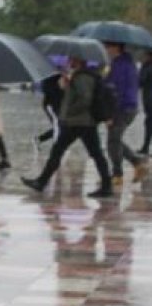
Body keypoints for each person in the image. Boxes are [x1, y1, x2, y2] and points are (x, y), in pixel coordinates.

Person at [21, 56, 112, 198]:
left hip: (79, 122)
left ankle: (41, 182)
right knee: (92, 153)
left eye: (72, 59)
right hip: (82, 122)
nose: (70, 61)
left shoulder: (83, 77)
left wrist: (69, 112)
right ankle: (107, 186)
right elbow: (75, 94)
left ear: (79, 60)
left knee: (61, 150)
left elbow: (84, 99)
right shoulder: (80, 76)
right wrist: (67, 84)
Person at [104, 41, 148, 185]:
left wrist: (110, 113)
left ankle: (118, 174)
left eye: (108, 46)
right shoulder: (122, 63)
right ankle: (137, 163)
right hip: (127, 106)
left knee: (113, 141)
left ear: (116, 47)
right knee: (114, 140)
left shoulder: (121, 65)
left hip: (123, 108)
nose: (106, 49)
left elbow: (118, 91)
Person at [34, 72, 63, 147]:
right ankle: (57, 147)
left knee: (62, 127)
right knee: (58, 125)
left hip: (57, 104)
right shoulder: (48, 78)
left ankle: (39, 139)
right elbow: (48, 89)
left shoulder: (57, 77)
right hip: (51, 104)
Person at [138, 50, 152, 155]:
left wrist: (142, 68)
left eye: (145, 54)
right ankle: (145, 147)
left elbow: (140, 81)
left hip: (150, 100)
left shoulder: (147, 68)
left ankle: (145, 147)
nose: (143, 56)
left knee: (148, 124)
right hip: (148, 99)